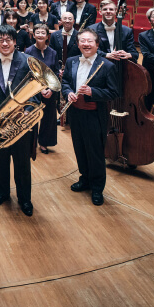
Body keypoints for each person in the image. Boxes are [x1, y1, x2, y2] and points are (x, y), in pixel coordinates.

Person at [0, 25, 45, 217]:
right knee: (0, 161)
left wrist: (27, 110)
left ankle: (25, 198)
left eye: (8, 39)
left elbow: (35, 90)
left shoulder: (27, 61)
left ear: (15, 41)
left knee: (22, 163)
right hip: (0, 122)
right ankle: (1, 192)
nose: (4, 43)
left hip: (21, 121)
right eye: (0, 39)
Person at [61, 28, 119, 206]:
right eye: (82, 41)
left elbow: (114, 92)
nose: (85, 44)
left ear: (97, 44)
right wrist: (68, 92)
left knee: (95, 152)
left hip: (94, 114)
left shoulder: (107, 65)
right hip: (75, 113)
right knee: (79, 148)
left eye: (89, 41)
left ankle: (97, 188)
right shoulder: (71, 61)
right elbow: (65, 83)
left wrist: (93, 91)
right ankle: (84, 178)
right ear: (78, 44)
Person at [25, 24, 59, 154]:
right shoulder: (28, 51)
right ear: (33, 35)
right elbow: (28, 74)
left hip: (50, 91)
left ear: (47, 36)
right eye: (37, 33)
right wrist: (40, 90)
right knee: (32, 117)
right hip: (34, 91)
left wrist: (50, 89)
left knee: (48, 118)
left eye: (42, 33)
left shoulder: (53, 52)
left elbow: (55, 72)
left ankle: (44, 143)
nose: (40, 35)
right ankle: (30, 144)